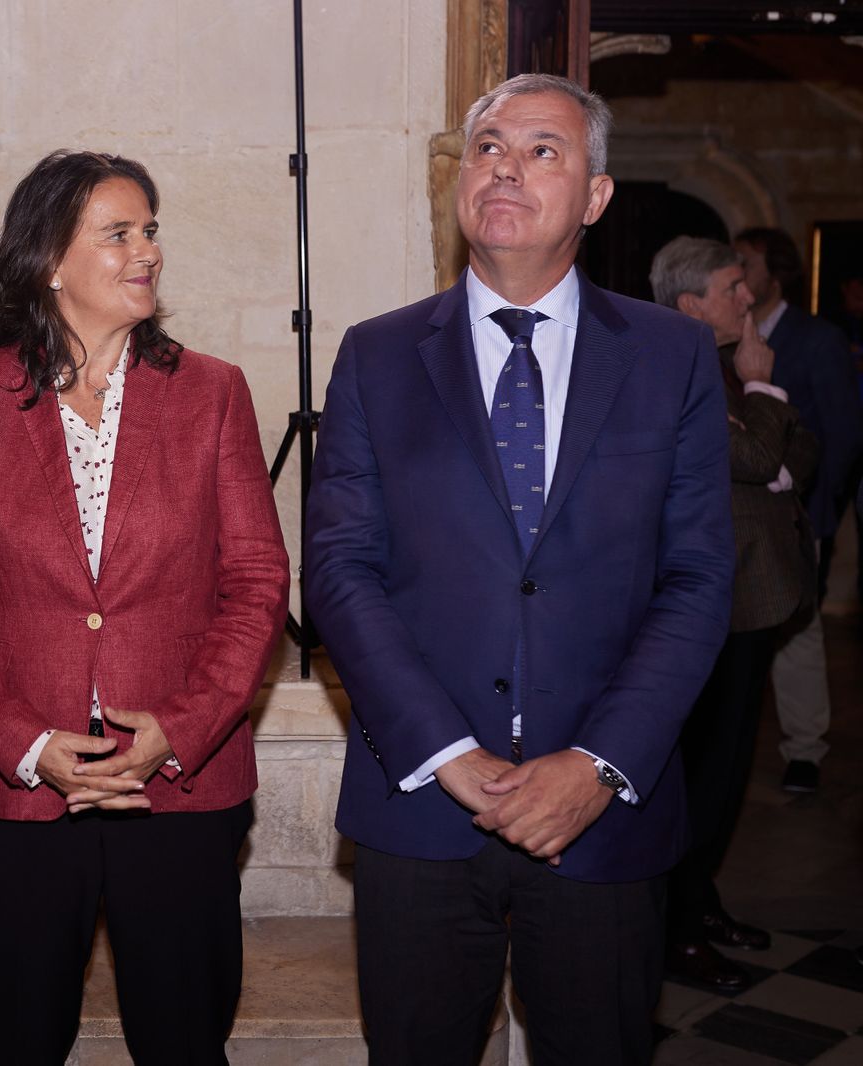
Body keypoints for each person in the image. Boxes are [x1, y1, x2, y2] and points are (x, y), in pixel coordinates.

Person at [305, 74, 734, 1066]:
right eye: (489, 145)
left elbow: (700, 576)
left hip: (601, 815)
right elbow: (338, 569)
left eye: (544, 150)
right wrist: (447, 755)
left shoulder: (670, 357)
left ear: (594, 197)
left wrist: (596, 764)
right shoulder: (375, 356)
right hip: (419, 805)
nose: (506, 165)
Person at [0, 149, 289, 1065]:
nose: (145, 249)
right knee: (17, 1038)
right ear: (49, 260)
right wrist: (27, 745)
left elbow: (259, 583)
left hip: (179, 788)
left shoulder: (212, 392)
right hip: (20, 791)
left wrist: (182, 728)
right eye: (117, 232)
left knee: (186, 1038)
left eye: (150, 229)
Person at [651, 235, 818, 989]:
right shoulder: (677, 370)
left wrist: (765, 435)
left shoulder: (718, 364)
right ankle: (676, 932)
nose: (748, 298)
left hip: (752, 597)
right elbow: (755, 461)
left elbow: (798, 453)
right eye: (731, 288)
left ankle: (701, 903)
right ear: (691, 305)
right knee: (700, 777)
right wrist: (763, 394)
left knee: (725, 774)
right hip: (713, 604)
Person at [733, 228, 861, 794]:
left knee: (799, 633)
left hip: (798, 513)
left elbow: (843, 433)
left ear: (774, 275)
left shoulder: (817, 339)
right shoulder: (722, 333)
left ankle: (805, 750)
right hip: (737, 521)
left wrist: (818, 508)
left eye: (746, 263)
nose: (737, 272)